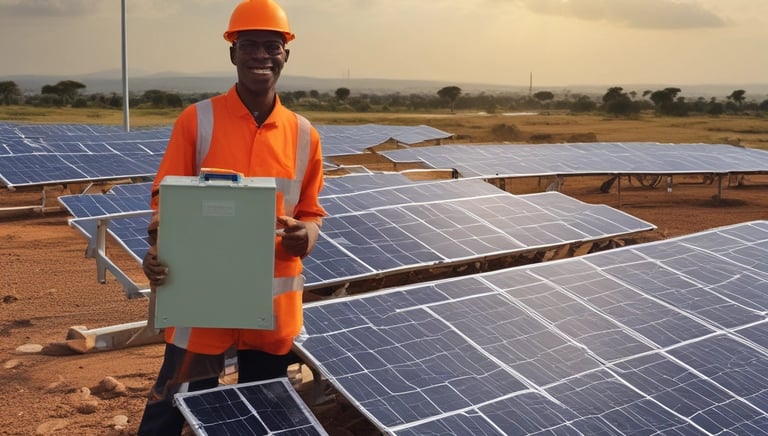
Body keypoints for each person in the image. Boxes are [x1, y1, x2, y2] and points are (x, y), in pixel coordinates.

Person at [137, 0, 326, 434]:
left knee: (261, 417)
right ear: (233, 53)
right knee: (171, 409)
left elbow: (312, 211)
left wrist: (308, 235)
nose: (262, 55)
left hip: (270, 308)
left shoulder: (304, 135)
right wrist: (157, 248)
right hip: (202, 301)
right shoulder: (197, 120)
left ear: (286, 55)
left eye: (272, 46)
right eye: (250, 45)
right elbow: (165, 201)